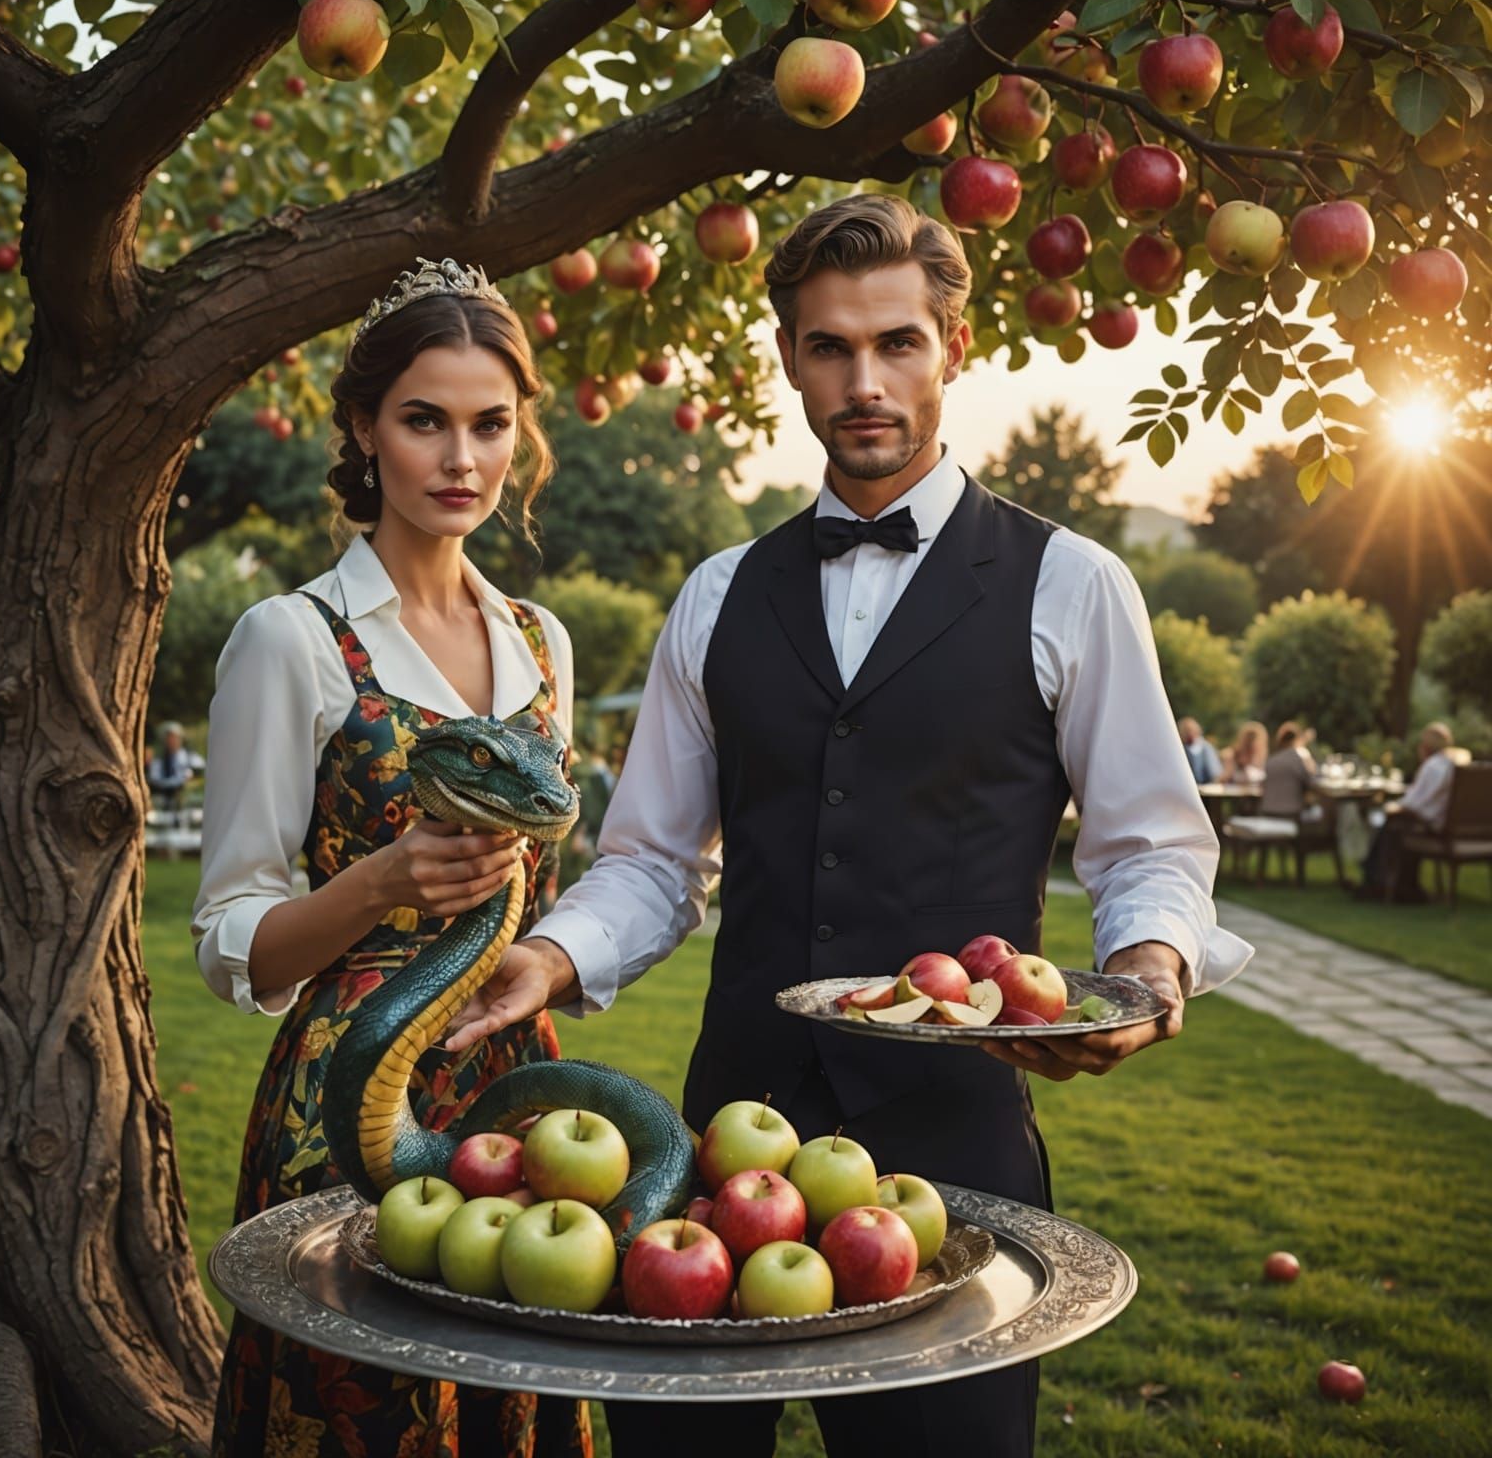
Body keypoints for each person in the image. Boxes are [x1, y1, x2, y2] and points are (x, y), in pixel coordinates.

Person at [440, 196, 1253, 1458]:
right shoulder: (718, 594)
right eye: (829, 348)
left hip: (958, 1153)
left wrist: (1147, 968)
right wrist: (551, 955)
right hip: (727, 1146)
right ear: (789, 361)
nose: (863, 381)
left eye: (896, 345)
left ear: (955, 347)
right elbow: (655, 858)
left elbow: (1151, 841)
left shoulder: (1074, 583)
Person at [191, 260, 592, 1458]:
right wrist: (378, 885)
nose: (460, 459)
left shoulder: (540, 639)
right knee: (362, 1410)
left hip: (517, 1077)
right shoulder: (295, 640)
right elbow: (228, 938)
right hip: (347, 1097)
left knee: (514, 1384)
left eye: (490, 424)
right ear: (365, 427)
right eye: (425, 420)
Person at [1355, 721, 1457, 901]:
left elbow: (1414, 803)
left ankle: (1377, 883)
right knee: (1391, 826)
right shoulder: (1451, 765)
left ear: (1425, 746)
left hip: (1428, 825)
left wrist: (1392, 808)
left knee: (1389, 825)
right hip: (1444, 824)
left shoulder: (1432, 767)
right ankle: (1390, 883)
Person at [147, 721, 203, 812]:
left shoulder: (190, 756)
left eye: (174, 737)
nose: (172, 741)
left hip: (188, 803)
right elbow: (155, 778)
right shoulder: (159, 760)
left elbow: (200, 772)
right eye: (168, 738)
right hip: (165, 801)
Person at [1178, 716, 1222, 785]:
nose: (1189, 734)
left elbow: (1214, 772)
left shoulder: (1207, 748)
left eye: (1190, 730)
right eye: (1186, 731)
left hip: (1207, 786)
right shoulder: (1181, 749)